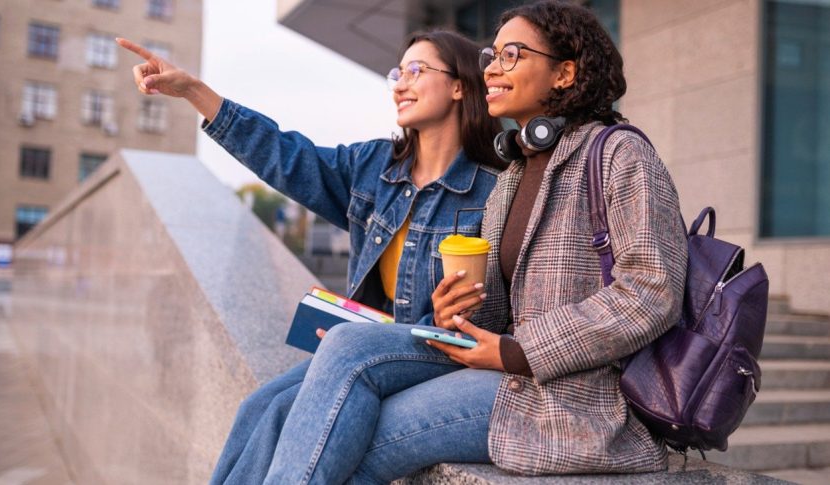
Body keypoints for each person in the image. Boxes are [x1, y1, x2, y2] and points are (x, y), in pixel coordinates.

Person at [239, 1, 689, 483]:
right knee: (342, 363)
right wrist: (456, 309)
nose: (492, 68)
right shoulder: (515, 173)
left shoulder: (621, 153)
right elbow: (499, 311)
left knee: (347, 434)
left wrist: (519, 352)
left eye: (511, 55)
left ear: (564, 73)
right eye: (491, 56)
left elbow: (651, 293)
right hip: (509, 375)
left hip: (571, 399)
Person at [117, 29, 504, 484]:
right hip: (375, 344)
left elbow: (503, 300)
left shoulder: (492, 189)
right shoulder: (375, 168)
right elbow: (286, 156)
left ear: (459, 86)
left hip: (444, 350)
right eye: (397, 73)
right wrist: (195, 92)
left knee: (289, 406)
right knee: (260, 406)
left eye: (416, 71)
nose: (400, 84)